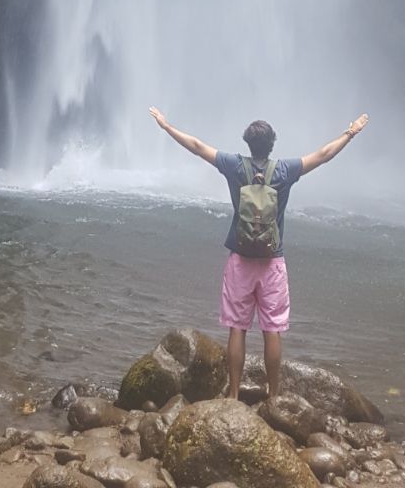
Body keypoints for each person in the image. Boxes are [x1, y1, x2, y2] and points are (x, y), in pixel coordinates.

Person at [148, 106, 369, 399]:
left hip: (240, 259)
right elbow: (324, 154)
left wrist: (166, 126)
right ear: (272, 144)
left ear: (247, 143)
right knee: (272, 329)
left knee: (237, 328)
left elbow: (198, 147)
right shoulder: (285, 170)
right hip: (272, 261)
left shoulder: (234, 166)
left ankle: (233, 394)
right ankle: (274, 396)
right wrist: (350, 133)